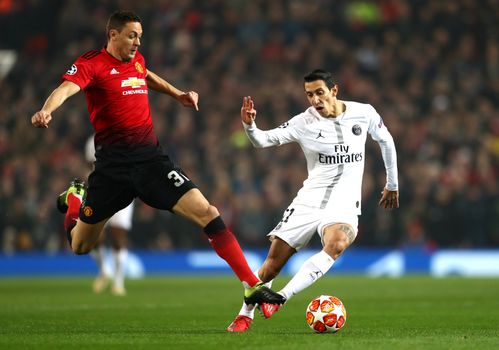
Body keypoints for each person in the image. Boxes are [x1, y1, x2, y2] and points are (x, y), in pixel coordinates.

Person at [31, 10, 285, 307]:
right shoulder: (92, 64)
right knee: (80, 246)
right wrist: (47, 110)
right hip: (113, 170)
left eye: (139, 36)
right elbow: (66, 89)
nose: (138, 42)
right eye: (131, 36)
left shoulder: (136, 60)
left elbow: (145, 74)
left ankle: (250, 284)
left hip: (152, 162)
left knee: (207, 211)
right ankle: (76, 197)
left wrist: (178, 95)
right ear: (112, 35)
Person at [227, 69, 399, 332]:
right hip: (309, 200)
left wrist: (392, 184)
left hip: (344, 202)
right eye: (309, 95)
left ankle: (281, 298)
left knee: (337, 244)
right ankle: (245, 314)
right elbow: (262, 141)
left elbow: (386, 141)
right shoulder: (302, 123)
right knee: (271, 267)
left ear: (334, 90)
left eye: (319, 92)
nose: (315, 99)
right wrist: (250, 125)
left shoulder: (364, 113)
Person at [84, 135, 133, 296]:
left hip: (124, 189)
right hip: (100, 191)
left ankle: (118, 282)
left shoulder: (127, 135)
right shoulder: (92, 141)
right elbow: (89, 165)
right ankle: (104, 270)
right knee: (93, 235)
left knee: (118, 236)